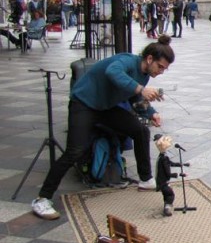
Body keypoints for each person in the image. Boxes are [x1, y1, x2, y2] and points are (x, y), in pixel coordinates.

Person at [31, 35, 174, 220]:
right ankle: (42, 199)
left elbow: (134, 98)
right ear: (149, 59)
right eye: (160, 67)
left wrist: (151, 113)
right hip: (83, 104)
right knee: (74, 151)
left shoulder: (144, 75)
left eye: (165, 69)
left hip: (105, 108)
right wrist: (140, 89)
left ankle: (145, 179)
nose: (161, 71)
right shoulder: (126, 61)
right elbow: (112, 72)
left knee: (141, 130)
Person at [154, 134, 177, 216]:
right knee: (170, 194)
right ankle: (167, 208)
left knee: (166, 194)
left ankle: (166, 206)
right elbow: (167, 171)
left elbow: (169, 163)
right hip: (163, 181)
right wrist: (174, 175)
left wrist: (178, 164)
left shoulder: (161, 156)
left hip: (160, 181)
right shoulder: (164, 158)